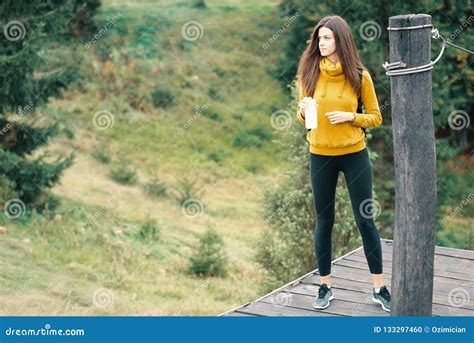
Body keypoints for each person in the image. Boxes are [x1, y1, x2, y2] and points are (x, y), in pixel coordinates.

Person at [295, 15, 391, 312]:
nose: (321, 43)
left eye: (327, 38)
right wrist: (302, 110)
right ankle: (325, 286)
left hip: (353, 153)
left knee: (365, 219)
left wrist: (351, 117)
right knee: (325, 221)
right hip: (320, 154)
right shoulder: (308, 73)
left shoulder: (359, 76)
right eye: (319, 38)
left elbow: (376, 117)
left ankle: (379, 288)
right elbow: (304, 120)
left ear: (341, 41)